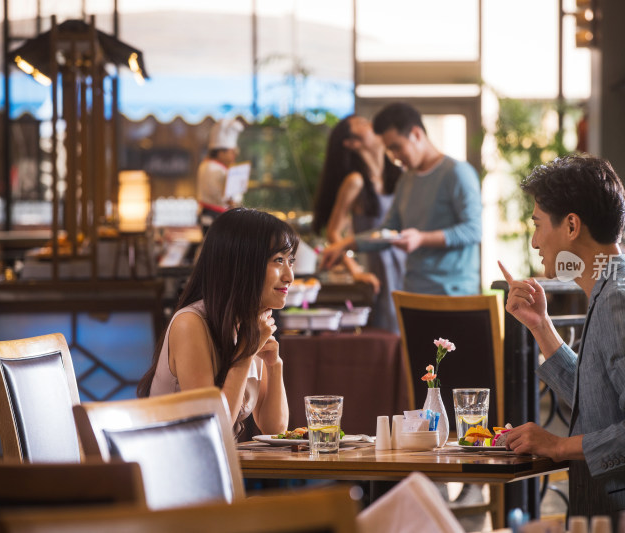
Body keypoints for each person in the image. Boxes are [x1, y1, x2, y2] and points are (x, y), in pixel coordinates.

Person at [497, 154, 625, 533]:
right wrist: (542, 327)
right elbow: (605, 397)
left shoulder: (619, 301)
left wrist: (557, 445)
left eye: (538, 224)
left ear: (571, 225)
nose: (534, 240)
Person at [138, 208, 294, 438]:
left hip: (212, 466)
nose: (289, 275)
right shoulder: (190, 324)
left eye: (290, 260)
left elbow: (275, 428)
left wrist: (275, 365)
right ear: (242, 264)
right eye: (278, 260)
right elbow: (212, 429)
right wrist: (246, 354)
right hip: (171, 467)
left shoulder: (250, 322)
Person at [320, 102, 482, 296]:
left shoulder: (457, 173)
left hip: (455, 293)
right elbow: (388, 231)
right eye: (390, 150)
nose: (395, 157)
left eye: (397, 147)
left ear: (416, 134)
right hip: (413, 291)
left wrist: (421, 238)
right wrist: (346, 244)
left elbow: (473, 230)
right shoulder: (406, 180)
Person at [313, 115, 405, 332]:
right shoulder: (355, 181)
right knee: (391, 334)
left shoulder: (400, 176)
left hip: (407, 265)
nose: (372, 124)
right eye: (362, 123)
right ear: (351, 142)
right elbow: (334, 232)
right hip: (380, 271)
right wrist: (355, 271)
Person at [197, 118, 244, 231]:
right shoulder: (212, 168)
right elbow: (226, 197)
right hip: (214, 218)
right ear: (220, 152)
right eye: (231, 152)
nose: (234, 155)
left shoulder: (210, 166)